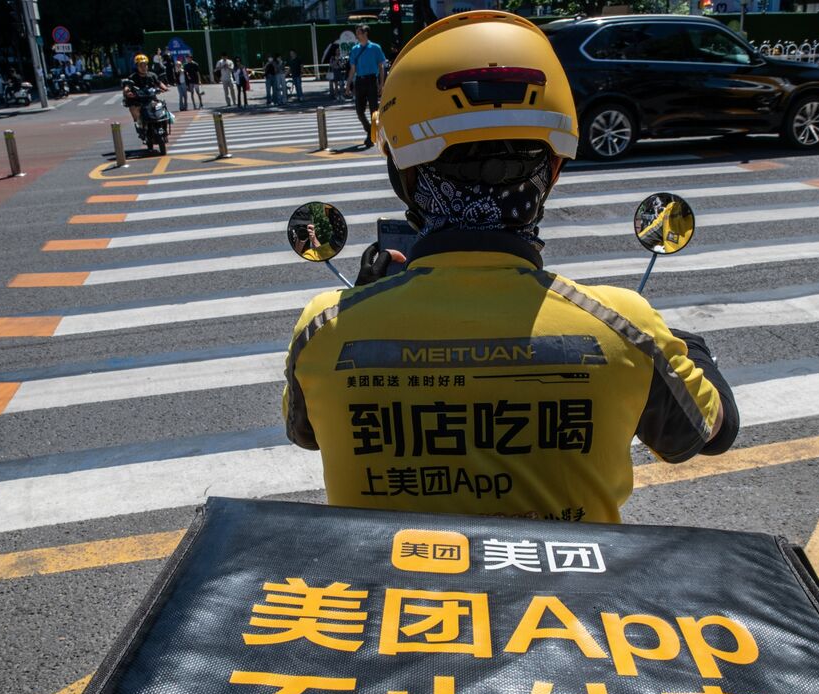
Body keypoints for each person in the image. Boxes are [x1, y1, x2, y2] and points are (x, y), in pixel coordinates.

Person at [281, 12, 739, 523]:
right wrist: (679, 343)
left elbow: (306, 434)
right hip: (561, 580)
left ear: (402, 174)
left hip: (394, 578)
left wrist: (362, 304)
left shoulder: (324, 329)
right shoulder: (624, 326)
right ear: (555, 168)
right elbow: (713, 432)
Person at [346, 24, 386, 148]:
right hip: (360, 81)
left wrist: (382, 84)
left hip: (372, 80)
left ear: (365, 33)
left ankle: (372, 136)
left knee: (374, 111)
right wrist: (348, 84)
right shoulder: (355, 49)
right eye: (357, 33)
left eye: (359, 33)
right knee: (359, 111)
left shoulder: (375, 47)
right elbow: (353, 69)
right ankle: (369, 130)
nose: (357, 35)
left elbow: (381, 67)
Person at [123, 53, 168, 127]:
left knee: (162, 108)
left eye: (145, 65)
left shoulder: (152, 75)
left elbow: (159, 83)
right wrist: (127, 91)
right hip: (139, 100)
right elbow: (128, 85)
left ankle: (163, 126)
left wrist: (165, 88)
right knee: (133, 108)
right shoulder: (133, 77)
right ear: (137, 67)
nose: (143, 67)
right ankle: (139, 123)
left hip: (151, 99)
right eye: (141, 65)